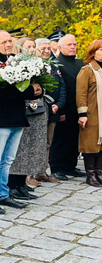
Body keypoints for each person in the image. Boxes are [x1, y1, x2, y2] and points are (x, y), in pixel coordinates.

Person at [0, 31, 43, 215]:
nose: (8, 44)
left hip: (16, 118)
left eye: (10, 41)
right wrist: (30, 91)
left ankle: (2, 193)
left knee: (8, 160)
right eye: (3, 42)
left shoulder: (16, 62)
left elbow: (27, 88)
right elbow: (2, 93)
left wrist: (35, 88)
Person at [7, 38, 49, 199]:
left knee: (31, 150)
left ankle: (22, 183)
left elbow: (44, 84)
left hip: (37, 112)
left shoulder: (38, 64)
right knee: (20, 151)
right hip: (22, 111)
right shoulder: (14, 65)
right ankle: (13, 185)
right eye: (28, 46)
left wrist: (40, 89)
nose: (31, 49)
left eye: (33, 46)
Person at [50, 34, 84, 179]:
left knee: (74, 138)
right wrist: (60, 109)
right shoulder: (56, 63)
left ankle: (70, 166)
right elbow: (57, 89)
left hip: (77, 107)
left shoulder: (80, 63)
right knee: (60, 139)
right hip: (64, 108)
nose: (72, 47)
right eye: (69, 45)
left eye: (74, 44)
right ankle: (57, 167)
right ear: (60, 47)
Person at [35, 38, 64, 183]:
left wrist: (58, 104)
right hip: (37, 111)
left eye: (49, 48)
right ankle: (30, 174)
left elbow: (62, 87)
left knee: (47, 142)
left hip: (53, 110)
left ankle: (42, 171)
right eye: (43, 48)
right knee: (36, 142)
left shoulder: (54, 66)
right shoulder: (32, 65)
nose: (47, 51)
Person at [76, 39, 102, 186]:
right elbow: (81, 93)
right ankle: (90, 174)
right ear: (94, 52)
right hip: (93, 113)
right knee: (91, 144)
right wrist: (82, 114)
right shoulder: (87, 70)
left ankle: (99, 172)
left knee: (101, 145)